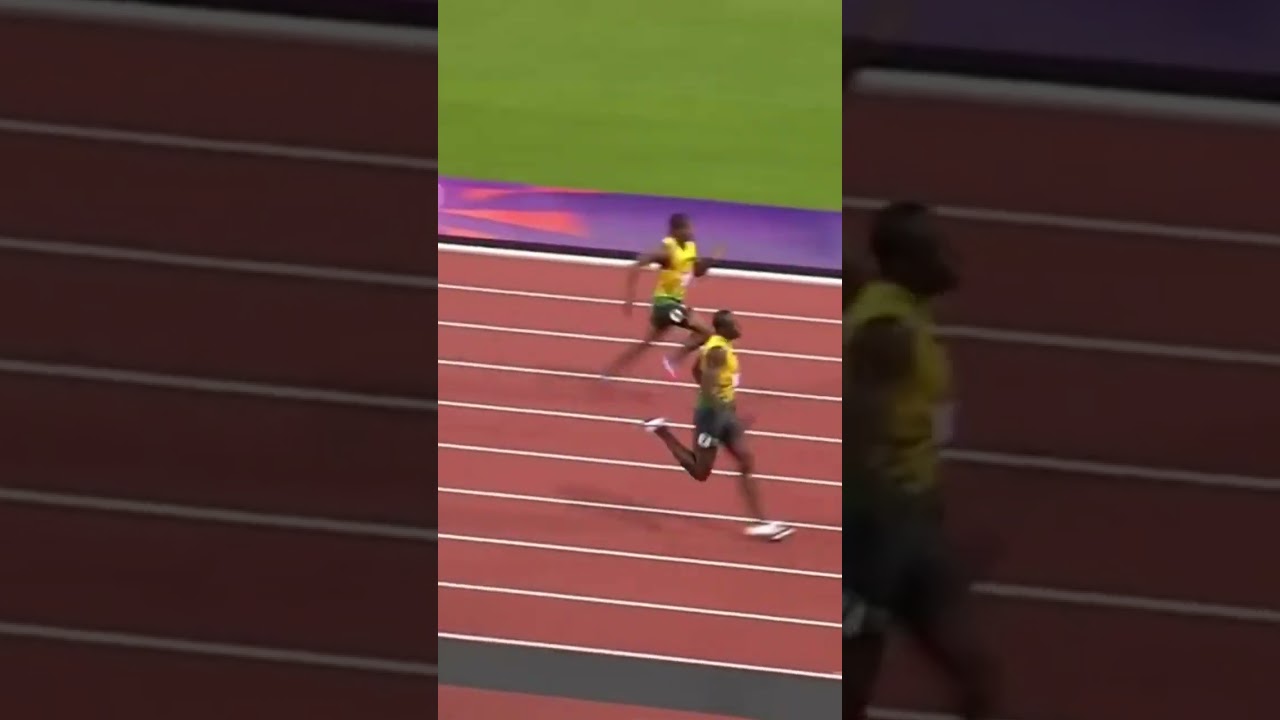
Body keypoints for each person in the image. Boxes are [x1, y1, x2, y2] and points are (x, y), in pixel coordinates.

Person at [844, 201, 995, 719]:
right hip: (872, 532)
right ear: (905, 263)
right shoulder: (886, 333)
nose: (952, 258)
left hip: (908, 526)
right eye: (937, 250)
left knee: (975, 673)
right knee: (850, 692)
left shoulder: (903, 311)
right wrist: (880, 529)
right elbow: (856, 432)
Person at [641, 310, 793, 541]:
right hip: (711, 416)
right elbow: (708, 387)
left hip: (724, 414)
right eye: (734, 324)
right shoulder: (717, 352)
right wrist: (721, 415)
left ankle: (760, 522)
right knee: (700, 472)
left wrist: (729, 413)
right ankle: (662, 431)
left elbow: (696, 370)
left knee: (745, 460)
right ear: (723, 329)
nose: (739, 327)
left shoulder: (721, 346)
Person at [602, 213, 721, 379]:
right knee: (707, 332)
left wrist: (710, 262)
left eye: (691, 228)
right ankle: (673, 360)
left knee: (646, 344)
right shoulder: (666, 251)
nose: (691, 232)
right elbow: (637, 265)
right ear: (675, 231)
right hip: (665, 306)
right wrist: (630, 298)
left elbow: (696, 272)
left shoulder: (690, 247)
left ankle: (611, 371)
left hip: (673, 304)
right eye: (687, 229)